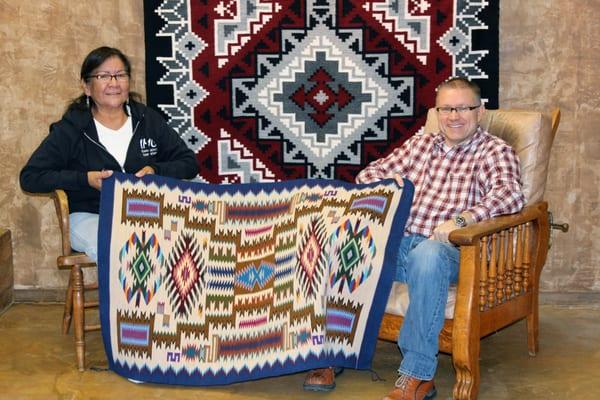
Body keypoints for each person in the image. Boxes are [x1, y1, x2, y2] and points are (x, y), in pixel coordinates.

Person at [303, 77, 525, 400]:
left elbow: (511, 195)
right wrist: (387, 180)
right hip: (402, 246)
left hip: (455, 253)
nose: (454, 116)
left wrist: (462, 220)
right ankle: (332, 351)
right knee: (341, 245)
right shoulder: (421, 145)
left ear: (480, 111)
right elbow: (367, 175)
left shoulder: (493, 151)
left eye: (464, 107)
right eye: (447, 108)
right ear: (437, 112)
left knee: (428, 255)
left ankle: (418, 375)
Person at [20, 46, 198, 263]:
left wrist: (156, 170)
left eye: (120, 75)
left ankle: (164, 297)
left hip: (148, 215)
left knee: (190, 242)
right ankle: (125, 297)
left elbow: (189, 163)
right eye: (103, 76)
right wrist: (85, 179)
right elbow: (30, 177)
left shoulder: (148, 120)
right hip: (89, 215)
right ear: (86, 86)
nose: (114, 83)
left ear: (128, 81)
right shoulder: (72, 128)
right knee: (117, 246)